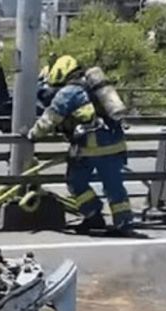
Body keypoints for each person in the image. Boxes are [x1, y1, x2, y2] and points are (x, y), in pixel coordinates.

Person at [27, 55, 133, 233]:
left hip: (89, 148)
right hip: (115, 144)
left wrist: (32, 135)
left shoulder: (68, 93)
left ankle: (93, 215)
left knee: (76, 182)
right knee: (114, 186)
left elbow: (49, 119)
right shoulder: (97, 88)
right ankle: (124, 223)